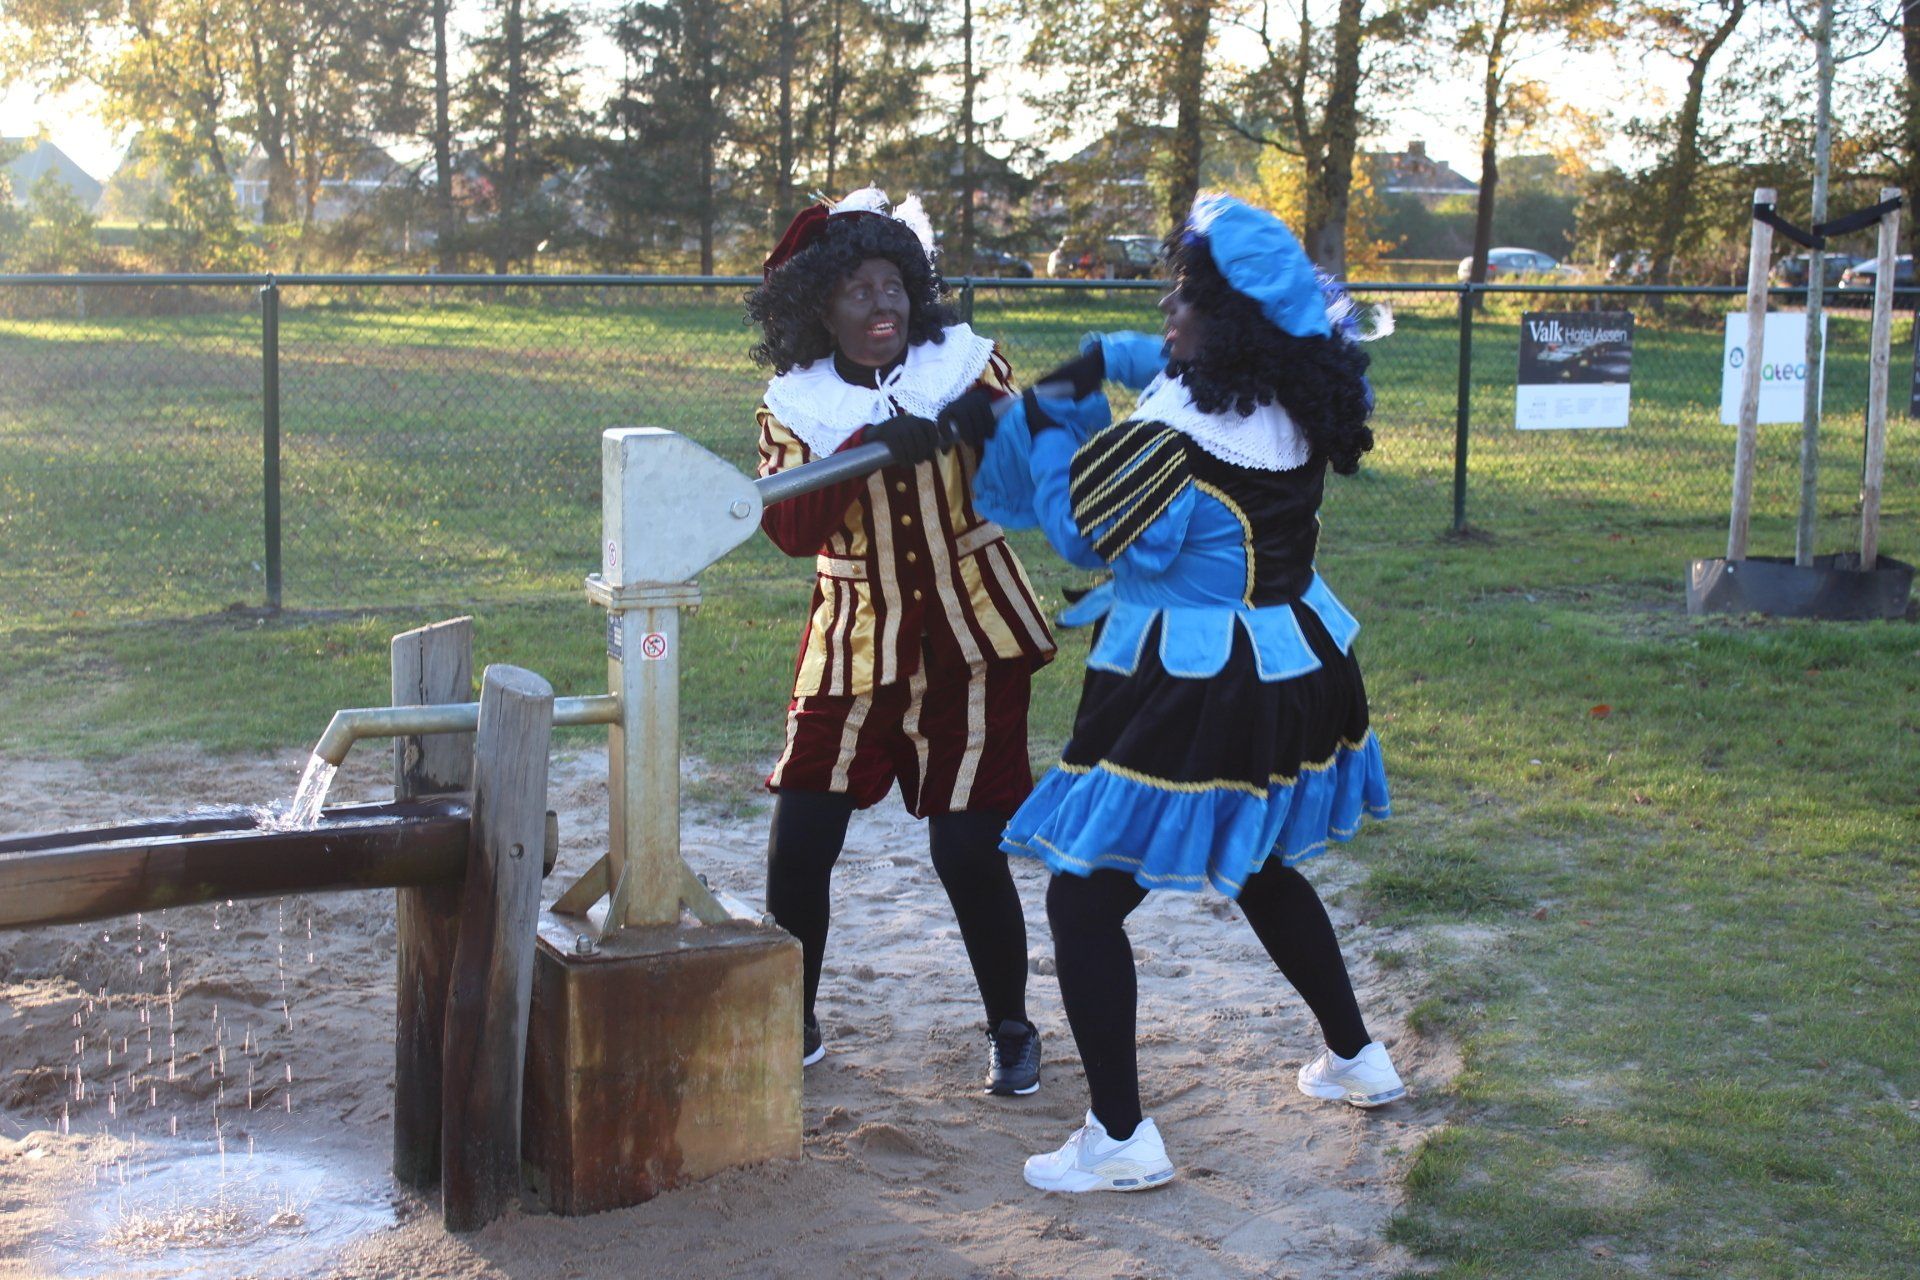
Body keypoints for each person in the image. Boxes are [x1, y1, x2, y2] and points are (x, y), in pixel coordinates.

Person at [976, 193, 1400, 1192]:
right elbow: (1166, 361)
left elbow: (1081, 530)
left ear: (1230, 324)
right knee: (1253, 854)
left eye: (1183, 298)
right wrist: (1103, 356)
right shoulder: (1284, 397)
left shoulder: (1172, 435)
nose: (1166, 311)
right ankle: (1356, 1057)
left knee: (1083, 894)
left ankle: (1120, 1137)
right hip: (1293, 663)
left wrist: (1043, 414)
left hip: (1196, 683)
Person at [745, 188, 1056, 1095]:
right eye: (858, 290)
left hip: (974, 637)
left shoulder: (964, 364)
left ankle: (1011, 1026)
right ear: (821, 308)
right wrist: (865, 444)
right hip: (852, 644)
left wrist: (987, 421)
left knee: (967, 849)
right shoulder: (794, 405)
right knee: (800, 840)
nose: (881, 305)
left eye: (893, 285)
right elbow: (790, 529)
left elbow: (1028, 479)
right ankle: (792, 1020)